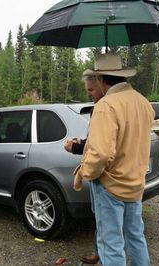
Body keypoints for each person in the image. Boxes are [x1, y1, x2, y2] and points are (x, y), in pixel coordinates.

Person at [73, 53, 154, 266]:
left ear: (100, 79)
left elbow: (100, 153)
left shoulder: (106, 106)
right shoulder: (144, 103)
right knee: (136, 236)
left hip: (111, 187)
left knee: (111, 244)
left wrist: (86, 173)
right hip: (135, 183)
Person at [63, 70, 105, 265]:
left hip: (106, 178)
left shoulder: (104, 109)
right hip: (130, 179)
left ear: (102, 83)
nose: (89, 94)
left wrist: (76, 147)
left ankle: (103, 254)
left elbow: (101, 149)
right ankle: (98, 252)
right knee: (123, 228)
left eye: (91, 89)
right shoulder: (102, 106)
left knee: (108, 226)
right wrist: (82, 142)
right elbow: (96, 141)